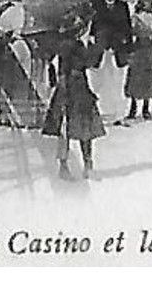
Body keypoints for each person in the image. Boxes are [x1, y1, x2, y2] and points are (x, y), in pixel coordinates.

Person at [41, 9, 105, 180]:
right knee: (84, 128)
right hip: (76, 87)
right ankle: (86, 165)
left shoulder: (64, 43)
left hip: (67, 89)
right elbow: (88, 62)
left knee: (65, 130)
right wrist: (95, 46)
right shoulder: (73, 45)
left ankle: (65, 166)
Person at [0, 0, 43, 125]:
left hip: (29, 50)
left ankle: (31, 115)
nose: (29, 0)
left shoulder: (37, 12)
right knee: (15, 82)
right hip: (14, 50)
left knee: (30, 81)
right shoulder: (12, 12)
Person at [89, 0, 133, 120]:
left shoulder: (122, 6)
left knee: (118, 82)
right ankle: (95, 113)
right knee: (96, 82)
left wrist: (127, 46)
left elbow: (127, 28)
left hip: (117, 49)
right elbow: (92, 27)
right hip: (100, 49)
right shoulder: (96, 5)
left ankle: (119, 114)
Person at [125, 0, 152, 121]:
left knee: (149, 76)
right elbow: (131, 31)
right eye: (147, 2)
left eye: (151, 2)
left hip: (150, 49)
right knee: (136, 76)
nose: (150, 4)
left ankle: (146, 107)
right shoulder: (135, 17)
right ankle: (133, 106)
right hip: (138, 48)